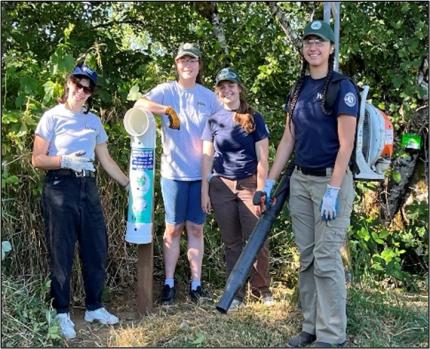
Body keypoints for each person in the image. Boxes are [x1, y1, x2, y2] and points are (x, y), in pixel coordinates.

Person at [263, 21, 358, 347]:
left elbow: (346, 144)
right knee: (307, 258)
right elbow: (288, 138)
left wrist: (333, 189)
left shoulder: (342, 88)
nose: (313, 47)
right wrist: (269, 181)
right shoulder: (298, 88)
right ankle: (311, 327)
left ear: (331, 49)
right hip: (301, 182)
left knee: (327, 258)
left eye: (320, 42)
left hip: (331, 182)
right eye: (308, 42)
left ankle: (333, 336)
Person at [32, 64, 130, 339]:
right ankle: (61, 312)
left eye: (87, 88)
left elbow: (106, 159)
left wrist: (128, 185)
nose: (81, 91)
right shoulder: (52, 117)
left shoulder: (93, 121)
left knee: (96, 247)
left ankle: (94, 306)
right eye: (78, 84)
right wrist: (64, 160)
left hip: (88, 185)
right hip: (60, 186)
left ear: (91, 93)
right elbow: (37, 159)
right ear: (69, 84)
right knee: (61, 251)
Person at [134, 43, 222, 304]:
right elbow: (139, 102)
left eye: (192, 61)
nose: (187, 65)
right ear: (176, 64)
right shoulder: (166, 91)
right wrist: (166, 110)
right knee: (172, 230)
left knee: (196, 229)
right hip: (172, 174)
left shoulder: (208, 96)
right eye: (183, 61)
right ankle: (169, 283)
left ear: (198, 65)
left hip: (200, 175)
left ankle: (196, 285)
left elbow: (224, 125)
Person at [201, 67, 273, 311]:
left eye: (231, 85)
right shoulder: (213, 120)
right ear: (217, 92)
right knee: (232, 244)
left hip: (249, 184)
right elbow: (207, 157)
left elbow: (263, 158)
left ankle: (262, 289)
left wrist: (261, 190)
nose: (227, 90)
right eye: (222, 86)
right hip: (221, 187)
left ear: (239, 88)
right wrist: (205, 191)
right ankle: (236, 293)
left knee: (256, 238)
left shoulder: (254, 118)